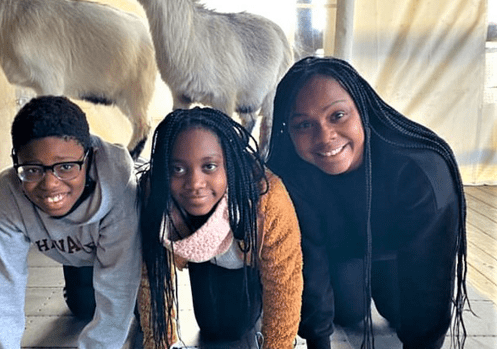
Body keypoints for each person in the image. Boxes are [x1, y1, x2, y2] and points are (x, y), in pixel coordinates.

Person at [267, 56, 468, 349]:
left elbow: (430, 282)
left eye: (337, 116)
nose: (325, 137)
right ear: (289, 131)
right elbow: (309, 260)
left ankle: (381, 277)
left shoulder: (421, 171)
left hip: (399, 251)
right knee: (345, 314)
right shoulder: (293, 173)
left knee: (403, 313)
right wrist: (317, 338)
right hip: (341, 251)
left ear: (362, 109)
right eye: (304, 125)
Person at [137, 107, 303, 349]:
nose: (195, 184)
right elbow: (151, 277)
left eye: (210, 166)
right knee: (213, 327)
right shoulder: (155, 194)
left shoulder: (268, 199)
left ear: (229, 165)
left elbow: (284, 282)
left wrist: (277, 344)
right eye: (178, 169)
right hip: (202, 258)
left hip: (247, 264)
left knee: (234, 327)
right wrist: (160, 342)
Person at [0, 96, 141, 349]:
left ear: (90, 158)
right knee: (83, 307)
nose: (50, 184)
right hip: (74, 253)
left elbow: (117, 283)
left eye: (66, 166)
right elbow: (3, 283)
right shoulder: (8, 194)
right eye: (33, 169)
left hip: (133, 258)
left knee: (132, 309)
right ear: (16, 161)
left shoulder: (120, 188)